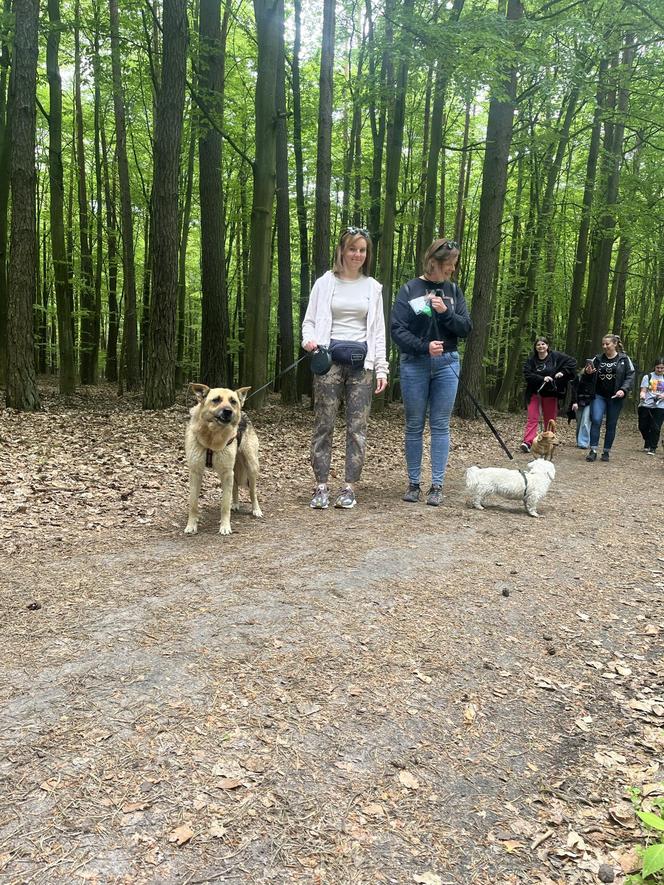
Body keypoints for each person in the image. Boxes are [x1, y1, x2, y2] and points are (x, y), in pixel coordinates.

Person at [301, 227, 389, 510]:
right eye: (353, 249)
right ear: (342, 250)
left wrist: (381, 368)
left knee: (357, 428)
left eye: (362, 250)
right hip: (328, 361)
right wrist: (309, 342)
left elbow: (378, 332)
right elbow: (309, 321)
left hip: (361, 365)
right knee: (324, 424)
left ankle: (349, 487)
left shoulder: (373, 287)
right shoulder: (325, 283)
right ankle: (321, 486)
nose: (357, 255)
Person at [390, 238, 472, 506]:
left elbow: (466, 328)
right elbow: (397, 329)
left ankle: (437, 485)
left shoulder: (454, 291)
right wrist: (424, 347)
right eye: (449, 264)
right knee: (414, 425)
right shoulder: (410, 289)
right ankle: (413, 483)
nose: (453, 269)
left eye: (454, 264)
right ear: (433, 263)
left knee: (440, 425)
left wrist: (446, 312)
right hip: (414, 363)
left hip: (448, 364)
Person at [584, 333, 635, 462]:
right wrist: (587, 372)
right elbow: (587, 375)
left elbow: (630, 376)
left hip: (615, 397)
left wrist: (623, 390)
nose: (605, 346)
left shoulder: (624, 359)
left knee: (611, 424)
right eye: (603, 344)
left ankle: (606, 452)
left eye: (607, 344)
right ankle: (593, 450)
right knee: (596, 420)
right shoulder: (597, 358)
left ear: (615, 344)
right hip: (599, 395)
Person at [520, 337, 576, 453]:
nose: (541, 347)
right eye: (538, 345)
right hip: (534, 393)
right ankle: (528, 442)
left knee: (550, 419)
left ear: (547, 346)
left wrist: (563, 372)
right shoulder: (531, 361)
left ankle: (548, 441)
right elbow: (527, 374)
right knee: (532, 418)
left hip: (550, 393)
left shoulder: (556, 357)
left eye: (543, 344)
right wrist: (542, 378)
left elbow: (572, 362)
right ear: (535, 347)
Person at [637, 356, 664, 454]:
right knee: (642, 426)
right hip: (646, 405)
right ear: (654, 367)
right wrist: (642, 395)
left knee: (655, 427)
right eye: (658, 367)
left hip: (660, 407)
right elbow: (643, 391)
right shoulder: (647, 377)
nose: (660, 370)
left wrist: (662, 396)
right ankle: (648, 442)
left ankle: (653, 447)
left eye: (662, 368)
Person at [567, 368, 595, 448]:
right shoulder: (579, 377)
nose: (589, 368)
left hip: (589, 403)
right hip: (579, 402)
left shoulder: (594, 378)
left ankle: (583, 443)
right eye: (587, 366)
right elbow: (574, 390)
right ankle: (579, 441)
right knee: (579, 422)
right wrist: (574, 402)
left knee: (586, 421)